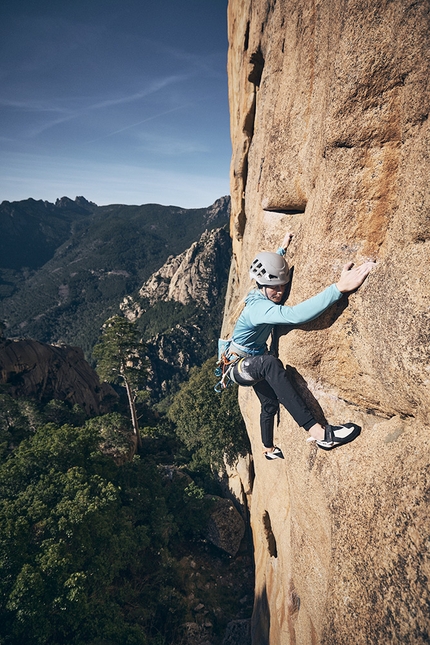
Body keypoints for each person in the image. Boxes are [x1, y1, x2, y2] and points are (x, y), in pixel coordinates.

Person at [227, 232, 376, 459]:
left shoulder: (260, 288)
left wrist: (282, 250)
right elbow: (295, 315)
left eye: (283, 286)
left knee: (269, 405)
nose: (280, 291)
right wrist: (339, 288)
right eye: (275, 287)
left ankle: (268, 450)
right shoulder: (258, 308)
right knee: (269, 364)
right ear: (263, 285)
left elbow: (273, 270)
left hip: (250, 360)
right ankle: (319, 433)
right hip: (239, 367)